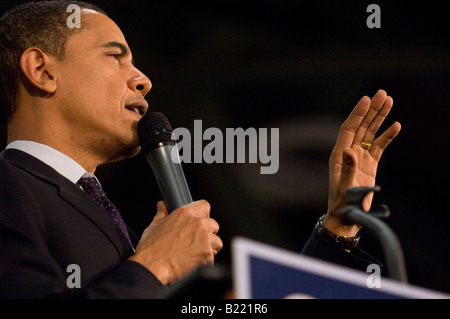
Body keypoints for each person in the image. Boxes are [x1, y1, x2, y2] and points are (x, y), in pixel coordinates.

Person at [0, 1, 401, 298]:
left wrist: (338, 226)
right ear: (42, 70)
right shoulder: (11, 186)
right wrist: (156, 263)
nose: (142, 80)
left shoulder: (97, 214)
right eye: (114, 57)